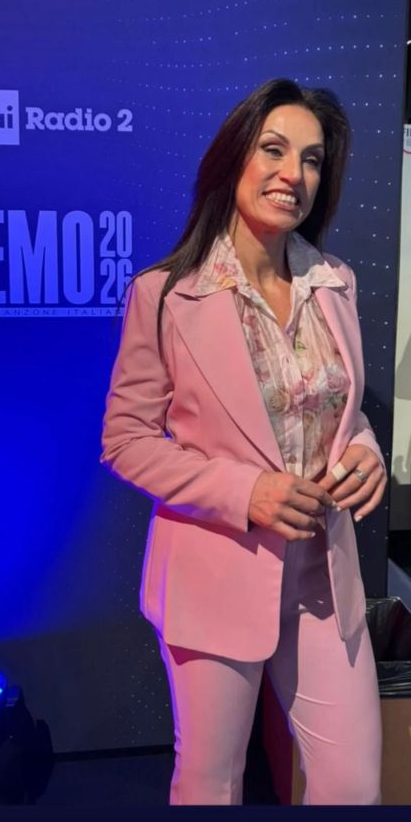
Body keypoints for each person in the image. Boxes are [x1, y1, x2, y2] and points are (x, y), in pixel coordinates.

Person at [100, 78, 387, 806]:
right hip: (215, 570)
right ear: (235, 158)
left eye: (313, 160)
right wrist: (244, 490)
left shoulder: (336, 283)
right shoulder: (165, 294)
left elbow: (339, 411)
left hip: (324, 576)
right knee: (210, 783)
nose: (294, 173)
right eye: (274, 149)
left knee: (351, 781)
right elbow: (126, 438)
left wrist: (365, 451)